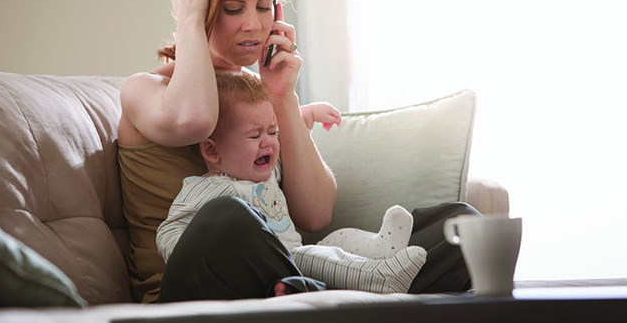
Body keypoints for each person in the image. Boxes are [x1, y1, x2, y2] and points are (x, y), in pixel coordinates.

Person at [117, 0, 478, 304]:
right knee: (226, 216)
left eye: (263, 6)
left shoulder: (260, 94)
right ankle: (326, 292)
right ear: (199, 3)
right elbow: (196, 120)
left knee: (461, 226)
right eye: (233, 8)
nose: (253, 25)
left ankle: (320, 295)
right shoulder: (144, 90)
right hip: (189, 287)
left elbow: (315, 215)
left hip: (280, 270)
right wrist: (188, 19)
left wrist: (281, 96)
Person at [156, 74, 426, 296]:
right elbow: (169, 230)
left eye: (272, 132)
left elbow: (294, 138)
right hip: (288, 260)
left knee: (336, 241)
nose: (269, 142)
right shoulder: (205, 188)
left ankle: (382, 250)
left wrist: (306, 115)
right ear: (212, 152)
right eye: (254, 135)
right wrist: (199, 248)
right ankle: (380, 279)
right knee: (308, 256)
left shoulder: (270, 170)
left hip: (301, 255)